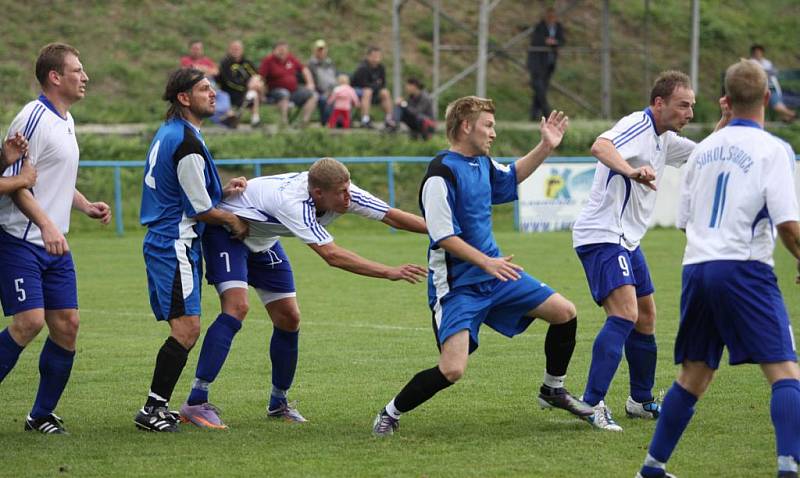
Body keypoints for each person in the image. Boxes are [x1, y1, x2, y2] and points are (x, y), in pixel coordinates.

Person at [371, 96, 593, 437]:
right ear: (465, 126)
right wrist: (486, 262)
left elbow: (511, 176)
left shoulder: (482, 163)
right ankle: (391, 412)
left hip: (496, 274)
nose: (493, 133)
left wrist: (546, 146)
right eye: (487, 125)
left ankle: (553, 389)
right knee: (452, 369)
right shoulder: (440, 174)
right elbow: (443, 235)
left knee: (564, 311)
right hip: (458, 284)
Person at [637, 59, 800, 478]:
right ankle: (788, 468)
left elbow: (685, 221)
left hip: (697, 268)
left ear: (725, 100)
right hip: (744, 268)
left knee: (694, 374)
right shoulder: (774, 150)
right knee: (784, 371)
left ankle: (652, 468)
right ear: (766, 98)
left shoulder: (704, 149)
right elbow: (788, 226)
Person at [193, 157, 428, 424]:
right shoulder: (293, 203)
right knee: (238, 307)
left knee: (289, 318)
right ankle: (196, 400)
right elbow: (332, 255)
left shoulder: (345, 192)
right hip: (227, 232)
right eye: (341, 192)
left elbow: (392, 216)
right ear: (318, 193)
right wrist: (389, 271)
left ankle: (278, 403)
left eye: (348, 188)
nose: (348, 197)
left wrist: (445, 232)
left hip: (262, 239)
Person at [572, 71, 731, 431]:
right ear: (659, 103)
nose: (689, 112)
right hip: (603, 234)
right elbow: (600, 146)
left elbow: (705, 151)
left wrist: (727, 116)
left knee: (645, 317)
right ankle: (591, 403)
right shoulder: (637, 124)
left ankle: (640, 400)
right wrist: (631, 171)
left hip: (628, 238)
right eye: (682, 105)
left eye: (691, 105)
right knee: (625, 314)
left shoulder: (665, 139)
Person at [0, 43, 111, 434]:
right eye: (77, 70)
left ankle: (41, 415)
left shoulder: (66, 119)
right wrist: (46, 224)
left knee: (67, 325)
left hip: (53, 241)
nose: (85, 77)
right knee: (29, 322)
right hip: (20, 239)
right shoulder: (32, 117)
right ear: (55, 76)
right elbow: (15, 184)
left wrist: (84, 205)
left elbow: (53, 180)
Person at [134, 67, 249, 432]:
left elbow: (191, 193)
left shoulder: (173, 133)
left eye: (212, 87)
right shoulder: (186, 141)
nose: (213, 93)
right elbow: (199, 210)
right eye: (204, 89)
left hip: (168, 240)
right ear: (184, 98)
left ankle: (157, 406)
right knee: (186, 327)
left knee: (185, 326)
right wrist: (233, 221)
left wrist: (222, 194)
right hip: (175, 243)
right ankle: (152, 409)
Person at [258, 42, 318, 127]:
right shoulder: (268, 61)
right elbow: (261, 78)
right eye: (280, 50)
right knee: (284, 93)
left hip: (294, 90)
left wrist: (310, 83)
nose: (282, 52)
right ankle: (284, 123)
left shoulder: (290, 58)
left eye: (284, 50)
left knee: (313, 95)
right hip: (275, 91)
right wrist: (262, 93)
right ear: (274, 50)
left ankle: (304, 123)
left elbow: (304, 69)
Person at [527, 7, 565, 121]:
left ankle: (534, 116)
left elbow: (562, 40)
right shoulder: (540, 26)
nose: (551, 19)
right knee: (539, 89)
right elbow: (535, 40)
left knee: (542, 89)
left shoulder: (558, 27)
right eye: (549, 17)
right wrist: (546, 41)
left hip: (549, 63)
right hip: (537, 64)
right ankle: (547, 113)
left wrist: (555, 42)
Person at [218, 40, 265, 127]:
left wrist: (254, 82)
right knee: (253, 93)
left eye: (238, 49)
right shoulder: (225, 63)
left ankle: (255, 120)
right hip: (229, 91)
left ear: (242, 50)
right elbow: (229, 82)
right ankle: (238, 117)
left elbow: (257, 75)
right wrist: (247, 86)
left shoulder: (246, 62)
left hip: (247, 90)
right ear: (229, 50)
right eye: (233, 48)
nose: (236, 50)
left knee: (255, 85)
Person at [750, 44, 797, 123]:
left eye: (759, 52)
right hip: (758, 87)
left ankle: (790, 115)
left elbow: (774, 73)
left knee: (775, 105)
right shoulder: (751, 62)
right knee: (760, 105)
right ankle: (789, 115)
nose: (758, 54)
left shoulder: (767, 63)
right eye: (756, 52)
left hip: (771, 86)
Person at [351, 46, 394, 129]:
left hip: (373, 91)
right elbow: (363, 84)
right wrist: (376, 84)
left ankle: (389, 119)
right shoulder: (363, 68)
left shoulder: (381, 67)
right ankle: (365, 119)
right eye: (374, 57)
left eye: (378, 57)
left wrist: (376, 85)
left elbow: (383, 84)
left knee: (385, 92)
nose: (376, 59)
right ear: (368, 56)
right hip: (357, 92)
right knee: (368, 91)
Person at [308, 39, 338, 126]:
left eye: (323, 49)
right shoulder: (311, 64)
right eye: (319, 50)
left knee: (343, 96)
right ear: (315, 51)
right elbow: (313, 81)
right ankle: (325, 123)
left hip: (332, 89)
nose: (321, 52)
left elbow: (334, 77)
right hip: (320, 91)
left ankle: (341, 122)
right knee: (324, 99)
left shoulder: (330, 62)